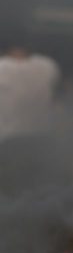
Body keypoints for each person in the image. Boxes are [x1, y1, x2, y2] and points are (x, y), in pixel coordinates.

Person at [0, 27, 60, 194]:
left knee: (11, 191)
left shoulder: (2, 67)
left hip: (9, 141)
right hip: (41, 140)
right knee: (36, 190)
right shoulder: (48, 66)